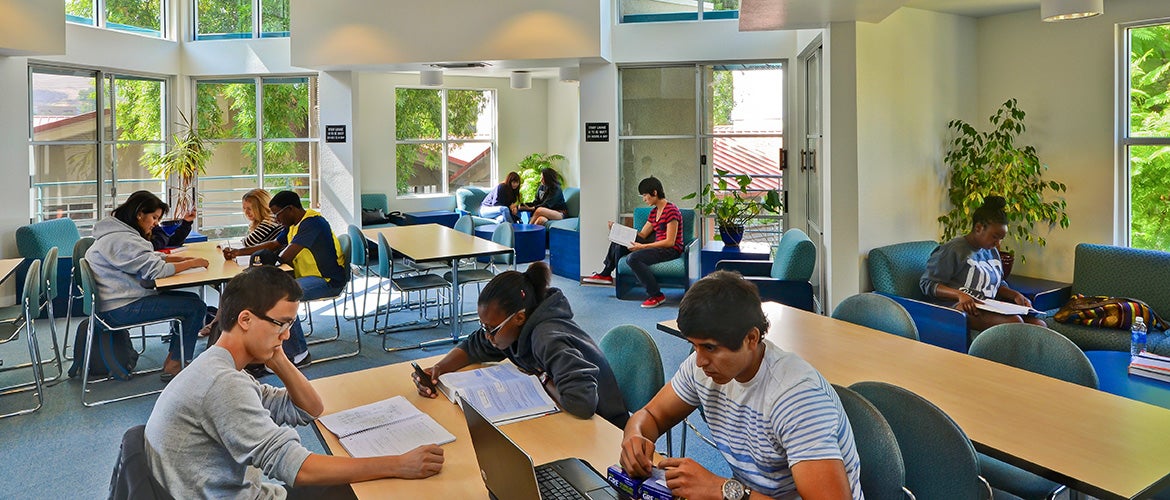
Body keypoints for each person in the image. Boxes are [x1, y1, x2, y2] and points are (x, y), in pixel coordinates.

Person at [144, 266, 444, 498]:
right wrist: (398, 464)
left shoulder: (219, 366)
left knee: (354, 480)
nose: (287, 335)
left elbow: (310, 409)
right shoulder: (222, 385)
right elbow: (298, 469)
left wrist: (277, 358)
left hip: (228, 490)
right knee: (374, 489)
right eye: (282, 324)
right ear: (245, 320)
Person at [620, 271, 861, 500]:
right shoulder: (701, 367)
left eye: (710, 347)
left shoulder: (796, 398)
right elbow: (651, 415)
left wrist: (722, 490)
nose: (700, 361)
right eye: (694, 346)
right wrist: (635, 436)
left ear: (751, 338)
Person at [412, 262, 629, 428]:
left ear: (519, 317)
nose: (487, 335)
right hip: (570, 418)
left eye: (491, 329)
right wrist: (439, 369)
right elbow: (473, 346)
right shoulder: (509, 331)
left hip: (606, 427)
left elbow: (582, 402)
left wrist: (541, 378)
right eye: (484, 326)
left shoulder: (546, 338)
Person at [85, 190, 210, 381]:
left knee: (192, 300)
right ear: (139, 214)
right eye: (154, 217)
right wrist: (192, 263)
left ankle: (174, 358)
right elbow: (156, 271)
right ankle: (175, 364)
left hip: (114, 302)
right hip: (120, 309)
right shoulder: (122, 239)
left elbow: (145, 257)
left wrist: (178, 259)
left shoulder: (116, 233)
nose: (156, 223)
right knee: (196, 307)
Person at [223, 190, 349, 369]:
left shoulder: (313, 223)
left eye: (277, 214)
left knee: (282, 297)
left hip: (328, 281)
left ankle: (299, 354)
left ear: (290, 209)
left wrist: (260, 265)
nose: (276, 219)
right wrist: (239, 253)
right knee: (270, 294)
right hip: (308, 276)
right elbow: (274, 244)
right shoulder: (293, 223)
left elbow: (284, 256)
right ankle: (266, 347)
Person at [920, 195, 1045, 331]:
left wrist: (1016, 295)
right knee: (1014, 322)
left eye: (1001, 238)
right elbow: (928, 283)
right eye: (995, 237)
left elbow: (997, 284)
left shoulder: (992, 251)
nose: (998, 243)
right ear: (978, 228)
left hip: (987, 306)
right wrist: (960, 295)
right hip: (956, 308)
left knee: (1040, 326)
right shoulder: (953, 249)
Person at [582, 176, 683, 309]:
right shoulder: (654, 212)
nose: (644, 199)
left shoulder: (671, 210)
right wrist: (619, 229)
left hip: (670, 250)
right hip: (658, 245)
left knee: (633, 258)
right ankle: (606, 274)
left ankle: (656, 295)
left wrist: (643, 247)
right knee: (619, 240)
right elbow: (642, 235)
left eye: (645, 195)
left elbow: (670, 242)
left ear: (654, 192)